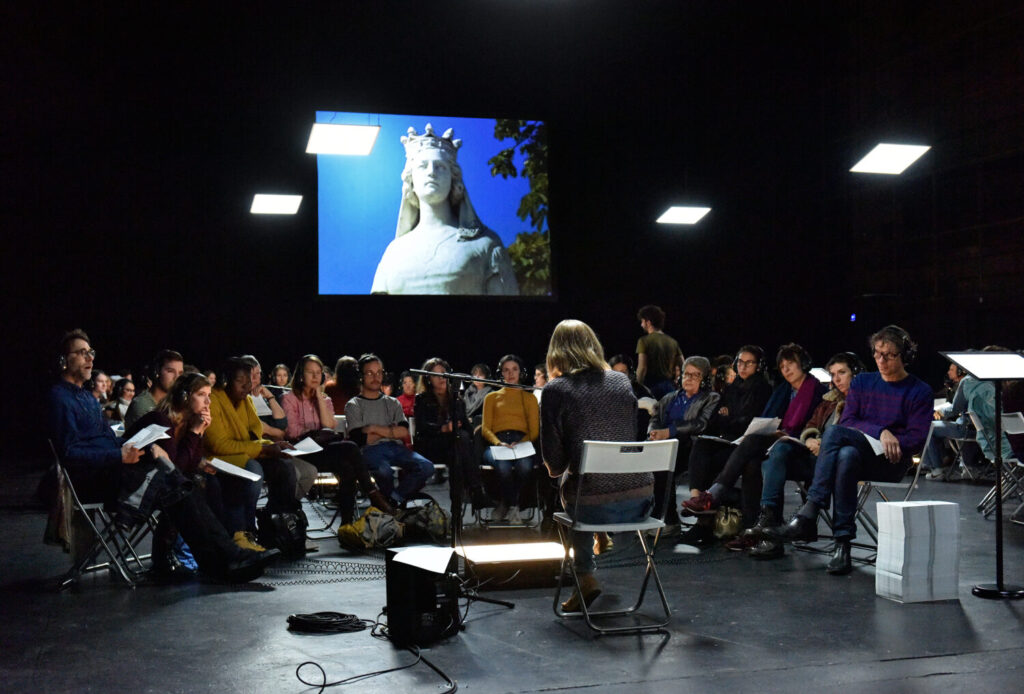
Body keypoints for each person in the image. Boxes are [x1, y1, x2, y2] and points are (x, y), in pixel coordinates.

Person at [48, 330, 274, 582]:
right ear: (63, 361)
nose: (89, 357)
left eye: (90, 352)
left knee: (182, 483)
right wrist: (118, 455)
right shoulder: (59, 397)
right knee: (180, 482)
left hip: (118, 470)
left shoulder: (88, 399)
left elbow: (109, 440)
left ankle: (223, 560)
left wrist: (140, 445)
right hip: (95, 480)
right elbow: (69, 453)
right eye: (80, 352)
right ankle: (225, 559)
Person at [766, 325, 933, 575]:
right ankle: (842, 545)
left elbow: (915, 440)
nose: (881, 360)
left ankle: (811, 510)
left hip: (891, 462)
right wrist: (881, 431)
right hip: (858, 455)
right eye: (877, 353)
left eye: (889, 355)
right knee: (846, 454)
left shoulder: (920, 390)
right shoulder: (864, 382)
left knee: (836, 438)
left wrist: (886, 437)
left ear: (905, 355)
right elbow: (848, 420)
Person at [540, 319, 653, 612]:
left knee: (570, 483)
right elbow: (627, 437)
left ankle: (586, 577)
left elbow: (553, 464)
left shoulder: (556, 389)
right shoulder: (620, 380)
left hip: (592, 507)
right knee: (590, 476)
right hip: (642, 502)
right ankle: (601, 536)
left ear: (556, 351)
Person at [681, 343, 827, 546]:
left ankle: (715, 495)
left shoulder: (816, 390)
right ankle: (750, 529)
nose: (786, 369)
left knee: (752, 446)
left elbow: (811, 424)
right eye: (782, 366)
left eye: (791, 364)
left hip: (798, 448)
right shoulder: (783, 390)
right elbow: (752, 418)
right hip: (774, 443)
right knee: (720, 450)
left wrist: (783, 432)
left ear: (803, 364)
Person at [371, 123, 519, 295]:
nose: (431, 172)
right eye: (422, 166)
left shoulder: (485, 245)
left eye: (440, 166)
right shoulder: (394, 252)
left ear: (453, 178)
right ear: (411, 179)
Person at [746, 352, 865, 559]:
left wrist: (827, 444)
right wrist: (810, 438)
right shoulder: (828, 401)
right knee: (777, 452)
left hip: (843, 460)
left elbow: (861, 432)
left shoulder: (864, 400)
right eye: (833, 374)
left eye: (842, 373)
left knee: (772, 456)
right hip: (816, 459)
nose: (836, 379)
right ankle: (770, 519)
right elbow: (810, 425)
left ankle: (779, 535)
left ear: (856, 374)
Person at [281, 354, 394, 522]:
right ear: (300, 375)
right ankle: (373, 493)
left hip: (321, 450)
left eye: (318, 373)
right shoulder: (289, 399)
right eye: (310, 372)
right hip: (300, 452)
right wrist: (313, 431)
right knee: (350, 447)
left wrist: (319, 397)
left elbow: (329, 425)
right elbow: (292, 431)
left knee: (347, 468)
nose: (315, 376)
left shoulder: (325, 399)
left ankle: (346, 524)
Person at [204, 357, 299, 548]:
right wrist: (263, 448)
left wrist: (275, 446)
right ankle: (246, 531)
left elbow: (254, 432)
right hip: (220, 458)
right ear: (226, 380)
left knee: (285, 466)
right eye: (241, 381)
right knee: (254, 470)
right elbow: (219, 445)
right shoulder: (214, 400)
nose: (247, 386)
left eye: (249, 381)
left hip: (244, 452)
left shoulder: (246, 400)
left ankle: (276, 524)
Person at [345, 354, 434, 507]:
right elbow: (360, 439)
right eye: (370, 373)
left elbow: (403, 431)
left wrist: (373, 428)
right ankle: (392, 505)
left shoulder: (393, 403)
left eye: (379, 372)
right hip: (369, 450)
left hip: (396, 447)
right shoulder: (354, 405)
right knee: (383, 471)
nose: (376, 377)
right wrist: (390, 430)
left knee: (426, 466)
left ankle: (392, 500)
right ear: (361, 376)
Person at [647, 356, 720, 532]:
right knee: (655, 455)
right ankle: (665, 516)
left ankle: (669, 519)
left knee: (665, 460)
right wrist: (654, 431)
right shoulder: (669, 398)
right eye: (686, 374)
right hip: (666, 444)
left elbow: (700, 424)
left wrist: (669, 432)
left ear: (704, 379)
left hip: (692, 447)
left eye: (695, 375)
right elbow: (655, 418)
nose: (689, 378)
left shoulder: (711, 398)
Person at [413, 357, 493, 509]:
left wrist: (473, 429)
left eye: (443, 373)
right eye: (435, 374)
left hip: (453, 448)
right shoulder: (422, 399)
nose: (441, 378)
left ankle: (457, 508)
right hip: (432, 446)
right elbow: (422, 428)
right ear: (428, 378)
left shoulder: (456, 399)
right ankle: (476, 492)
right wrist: (443, 428)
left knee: (459, 450)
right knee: (460, 442)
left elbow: (468, 429)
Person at [481, 354, 540, 524]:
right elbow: (485, 428)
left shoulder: (529, 398)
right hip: (498, 442)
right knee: (504, 466)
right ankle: (512, 505)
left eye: (514, 369)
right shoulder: (491, 397)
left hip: (522, 441)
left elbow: (534, 431)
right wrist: (498, 443)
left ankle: (506, 504)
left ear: (521, 372)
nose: (510, 373)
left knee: (525, 466)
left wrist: (521, 443)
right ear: (501, 373)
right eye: (506, 370)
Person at [124, 350, 184, 428]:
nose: (176, 377)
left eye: (180, 373)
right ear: (157, 371)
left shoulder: (175, 403)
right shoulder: (142, 405)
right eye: (170, 371)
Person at [635, 304, 684, 399]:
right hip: (669, 387)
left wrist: (637, 387)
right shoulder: (673, 342)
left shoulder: (643, 341)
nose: (641, 325)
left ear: (648, 322)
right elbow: (683, 365)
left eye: (642, 321)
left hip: (651, 387)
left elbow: (642, 368)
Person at [609, 354, 655, 440]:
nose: (619, 377)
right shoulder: (605, 392)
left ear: (630, 374)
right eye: (615, 373)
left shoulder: (642, 392)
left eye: (623, 373)